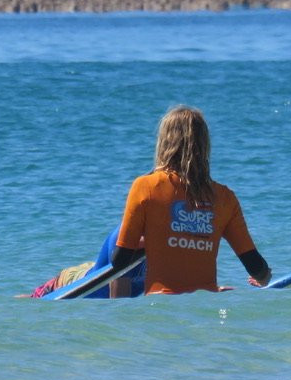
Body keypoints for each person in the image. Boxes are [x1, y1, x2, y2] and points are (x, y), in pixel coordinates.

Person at [111, 106, 271, 294]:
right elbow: (255, 266)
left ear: (164, 143)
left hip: (158, 310)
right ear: (204, 146)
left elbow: (120, 262)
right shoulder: (225, 198)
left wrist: (156, 240)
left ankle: (72, 277)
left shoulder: (145, 186)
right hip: (204, 309)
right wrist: (264, 277)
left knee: (112, 240)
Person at [26, 226, 146, 299]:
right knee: (31, 301)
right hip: (71, 280)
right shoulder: (121, 241)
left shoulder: (161, 247)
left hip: (91, 268)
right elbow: (118, 309)